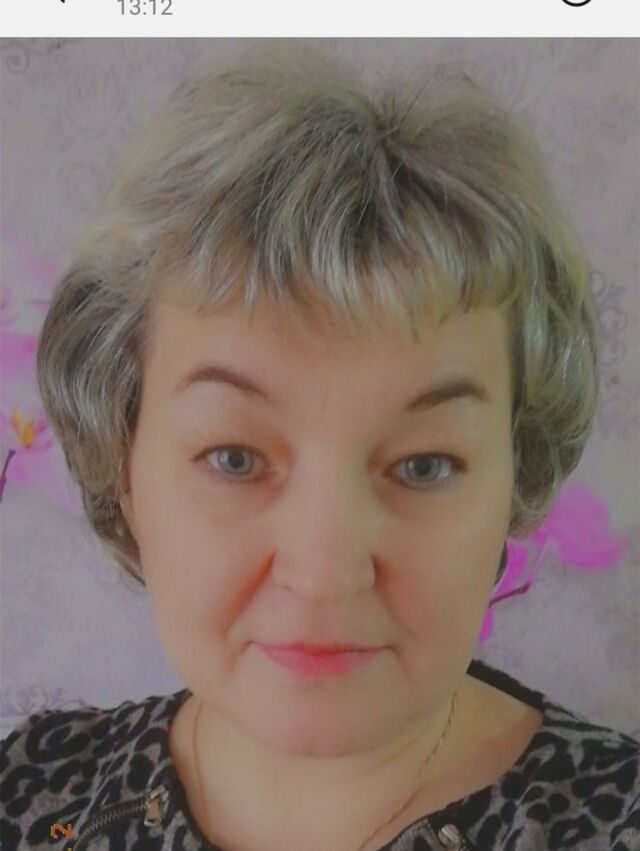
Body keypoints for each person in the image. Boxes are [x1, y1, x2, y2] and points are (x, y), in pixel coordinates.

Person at [1, 41, 638, 851]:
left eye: (424, 465)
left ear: (517, 476)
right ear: (123, 468)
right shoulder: (30, 796)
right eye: (234, 457)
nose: (326, 569)